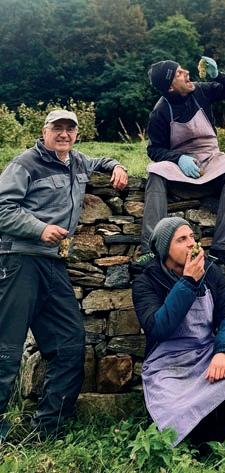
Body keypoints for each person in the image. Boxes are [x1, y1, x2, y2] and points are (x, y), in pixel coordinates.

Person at [0, 110, 128, 442]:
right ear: (44, 131)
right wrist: (39, 229)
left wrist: (117, 165)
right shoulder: (25, 164)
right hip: (19, 261)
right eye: (57, 128)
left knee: (70, 345)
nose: (64, 134)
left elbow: (101, 160)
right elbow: (2, 209)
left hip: (53, 264)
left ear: (76, 134)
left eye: (70, 129)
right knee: (5, 350)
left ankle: (47, 431)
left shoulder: (78, 161)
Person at [132, 217, 225, 446]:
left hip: (205, 352)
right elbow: (158, 328)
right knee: (173, 413)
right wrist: (188, 282)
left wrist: (223, 351)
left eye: (192, 237)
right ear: (165, 250)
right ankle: (190, 439)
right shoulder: (146, 282)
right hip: (167, 362)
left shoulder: (210, 271)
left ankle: (212, 438)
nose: (191, 243)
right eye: (181, 239)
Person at [135, 57, 225, 270]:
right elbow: (154, 150)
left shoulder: (201, 91)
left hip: (211, 157)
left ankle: (223, 248)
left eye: (182, 69)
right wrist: (179, 159)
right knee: (156, 172)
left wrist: (218, 76)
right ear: (170, 87)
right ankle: (150, 250)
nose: (186, 72)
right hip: (180, 165)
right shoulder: (160, 111)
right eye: (178, 73)